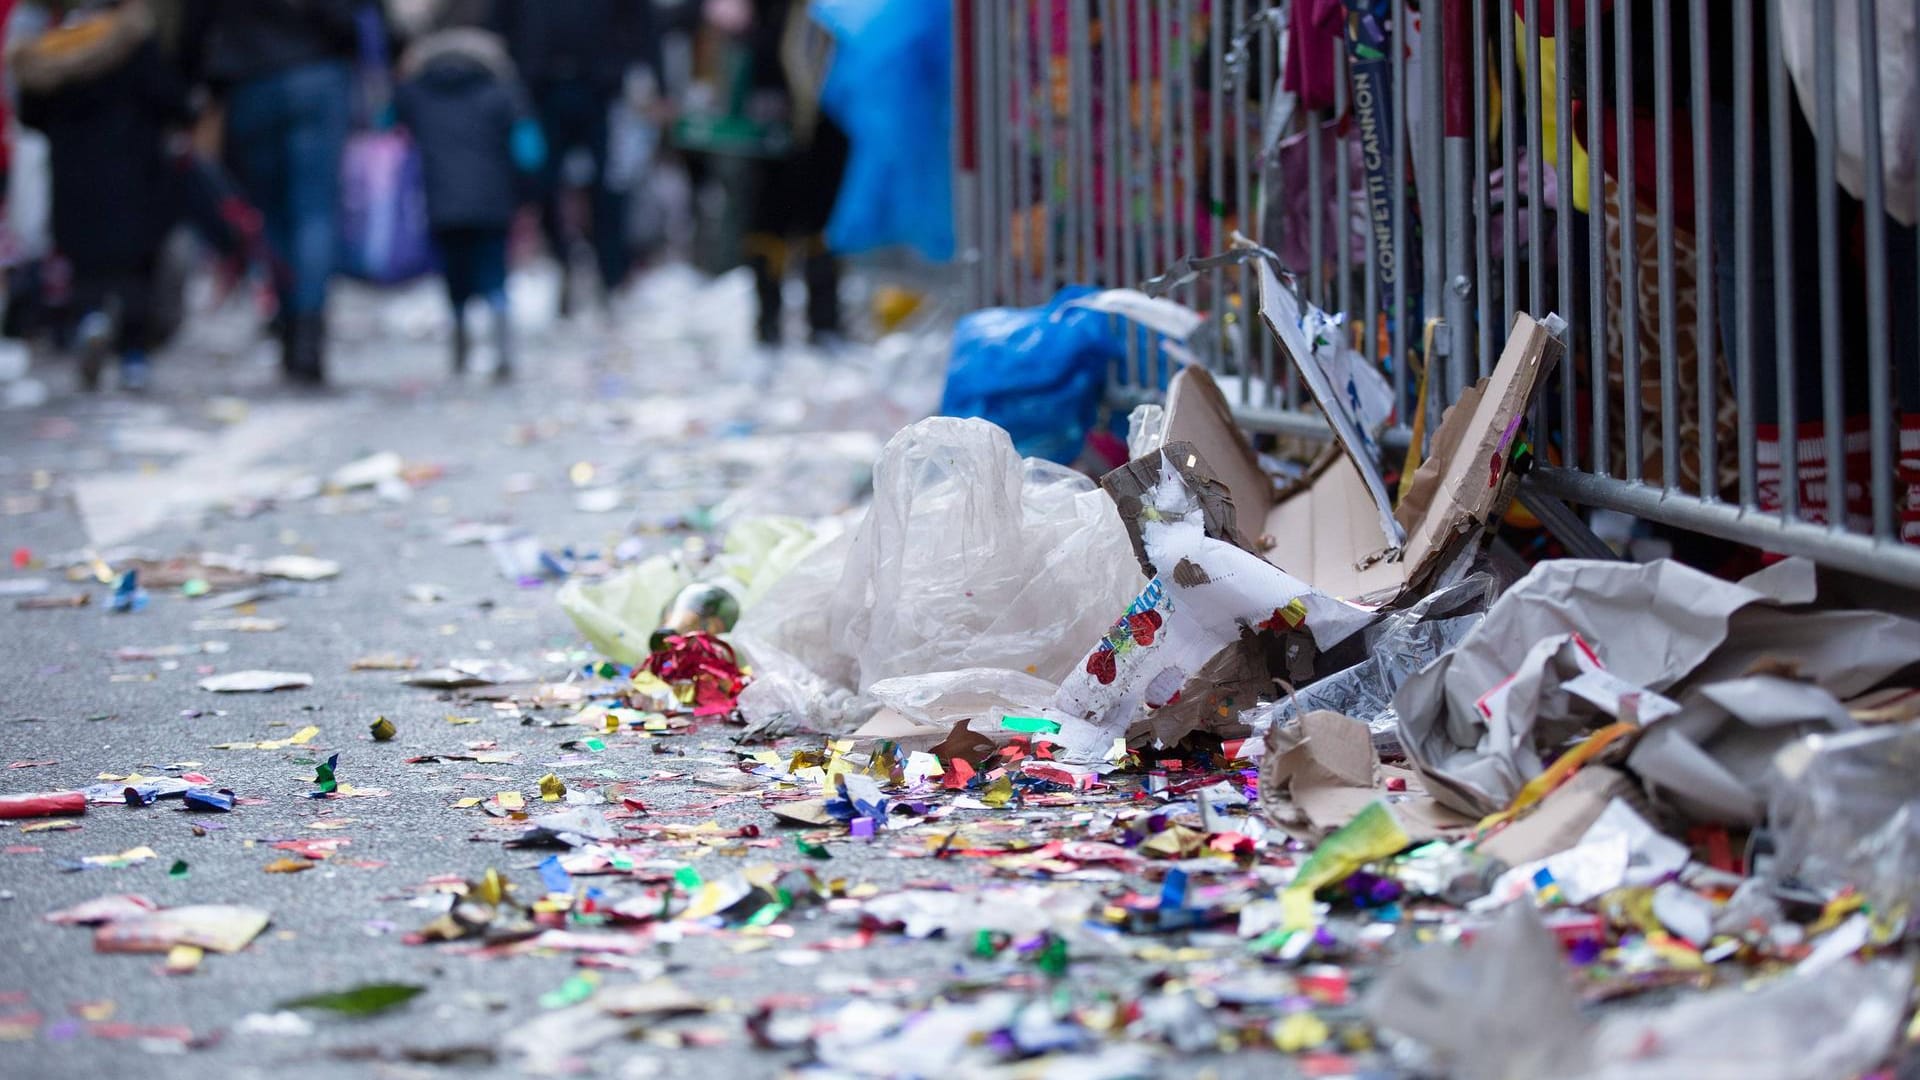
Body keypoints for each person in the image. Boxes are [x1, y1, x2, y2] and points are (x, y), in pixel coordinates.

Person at [11, 0, 188, 391]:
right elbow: (169, 99)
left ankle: (90, 320)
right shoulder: (133, 40)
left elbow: (30, 113)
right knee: (136, 270)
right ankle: (133, 354)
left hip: (74, 177)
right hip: (133, 173)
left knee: (86, 269)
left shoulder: (53, 49)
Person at [180, 0, 359, 385]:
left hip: (250, 79)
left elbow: (196, 21)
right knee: (315, 211)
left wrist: (188, 84)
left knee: (272, 215)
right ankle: (309, 330)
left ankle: (288, 322)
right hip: (316, 70)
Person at [493, 0, 662, 315]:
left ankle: (610, 275)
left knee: (609, 189)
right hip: (541, 87)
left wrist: (652, 77)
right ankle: (563, 261)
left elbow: (641, 20)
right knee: (542, 185)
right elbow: (500, 22)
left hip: (600, 87)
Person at [395, 24, 541, 379]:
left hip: (440, 202)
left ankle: (460, 341)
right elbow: (530, 151)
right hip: (493, 202)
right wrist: (529, 195)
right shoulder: (504, 91)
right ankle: (502, 342)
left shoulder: (416, 92)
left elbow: (387, 129)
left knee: (454, 273)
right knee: (494, 273)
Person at [738, 0, 847, 347]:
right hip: (776, 118)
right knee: (769, 221)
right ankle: (767, 323)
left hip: (827, 119)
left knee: (823, 220)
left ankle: (825, 323)